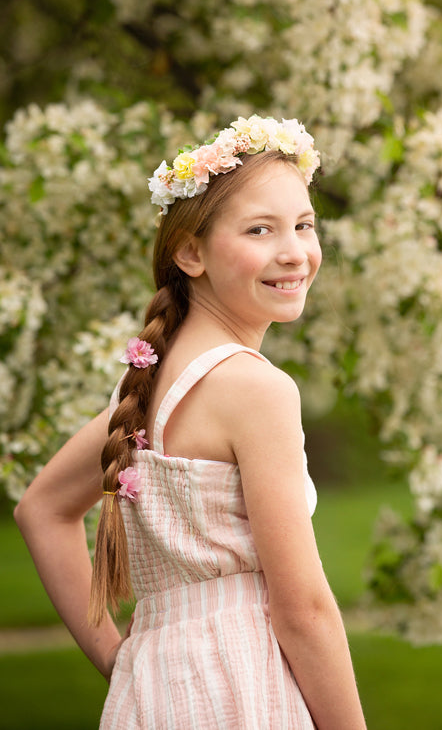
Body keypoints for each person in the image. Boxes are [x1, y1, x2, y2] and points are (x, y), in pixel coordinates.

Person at [14, 115, 367, 730]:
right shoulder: (258, 390)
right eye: (260, 229)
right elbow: (304, 611)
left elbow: (39, 509)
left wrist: (119, 658)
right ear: (189, 251)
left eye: (304, 225)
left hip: (152, 693)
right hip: (242, 686)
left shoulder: (148, 387)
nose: (294, 252)